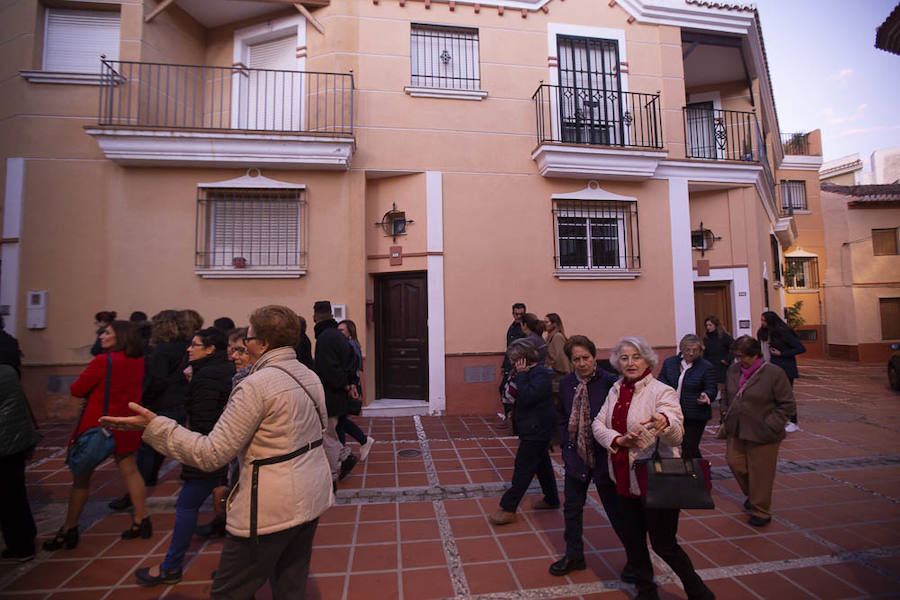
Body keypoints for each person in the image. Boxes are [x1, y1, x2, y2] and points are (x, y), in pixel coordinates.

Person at [102, 305, 333, 600]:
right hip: (310, 495)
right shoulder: (307, 374)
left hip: (269, 507)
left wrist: (157, 427)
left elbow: (211, 453)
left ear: (263, 344)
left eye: (247, 339)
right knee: (291, 586)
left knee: (229, 592)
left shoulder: (255, 386)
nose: (242, 346)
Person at [592, 337, 713, 600]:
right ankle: (647, 593)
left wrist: (665, 422)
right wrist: (617, 439)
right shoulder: (615, 390)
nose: (630, 362)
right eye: (624, 358)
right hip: (623, 480)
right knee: (634, 545)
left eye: (636, 356)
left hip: (657, 481)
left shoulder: (662, 391)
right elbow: (598, 424)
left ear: (648, 359)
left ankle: (698, 591)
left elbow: (677, 436)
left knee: (664, 545)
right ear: (617, 363)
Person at [136, 327, 233, 586]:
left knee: (187, 506)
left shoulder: (208, 377)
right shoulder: (219, 371)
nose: (189, 349)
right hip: (224, 450)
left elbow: (204, 420)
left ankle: (171, 566)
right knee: (229, 507)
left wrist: (192, 446)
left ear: (211, 349)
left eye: (196, 344)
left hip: (208, 450)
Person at [45, 320, 151, 551]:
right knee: (130, 470)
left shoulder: (105, 360)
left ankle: (69, 529)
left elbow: (77, 389)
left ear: (119, 337)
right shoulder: (138, 360)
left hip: (99, 424)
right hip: (126, 423)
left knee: (81, 477)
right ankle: (142, 519)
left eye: (107, 333)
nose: (102, 336)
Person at [548, 335, 633, 582]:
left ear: (594, 357)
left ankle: (635, 559)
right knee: (572, 508)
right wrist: (566, 444)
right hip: (577, 457)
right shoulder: (565, 384)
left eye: (586, 358)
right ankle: (574, 555)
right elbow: (563, 416)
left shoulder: (609, 383)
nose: (582, 363)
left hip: (605, 456)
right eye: (576, 359)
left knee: (616, 511)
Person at [111, 310, 188, 511]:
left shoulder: (162, 350)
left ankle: (138, 490)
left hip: (163, 403)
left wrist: (146, 399)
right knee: (170, 443)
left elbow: (157, 379)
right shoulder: (185, 346)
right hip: (181, 400)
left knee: (147, 448)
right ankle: (155, 479)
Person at [721, 335, 795, 528]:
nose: (740, 361)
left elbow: (787, 404)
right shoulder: (733, 370)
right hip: (737, 429)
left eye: (744, 356)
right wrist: (724, 410)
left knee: (761, 473)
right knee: (735, 463)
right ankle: (754, 495)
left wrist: (771, 424)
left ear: (756, 355)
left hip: (764, 433)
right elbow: (727, 394)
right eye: (737, 356)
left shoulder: (774, 373)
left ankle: (761, 510)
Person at [489, 338, 559, 525]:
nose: (511, 362)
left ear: (524, 358)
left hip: (537, 428)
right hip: (532, 427)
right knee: (542, 464)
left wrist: (521, 375)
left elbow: (528, 397)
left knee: (523, 468)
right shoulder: (525, 372)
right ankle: (552, 499)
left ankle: (508, 508)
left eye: (514, 359)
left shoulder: (540, 374)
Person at [196, 327, 252, 540]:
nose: (234, 356)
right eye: (231, 349)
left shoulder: (249, 381)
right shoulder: (237, 377)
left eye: (240, 350)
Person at [313, 301, 360, 482]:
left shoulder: (325, 338)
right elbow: (353, 361)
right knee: (330, 432)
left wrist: (345, 385)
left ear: (315, 317)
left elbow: (328, 370)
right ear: (332, 316)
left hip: (330, 394)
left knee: (327, 435)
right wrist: (351, 384)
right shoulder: (338, 336)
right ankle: (345, 456)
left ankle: (333, 475)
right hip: (339, 393)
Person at [0, 364, 41, 561]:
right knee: (16, 495)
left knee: (9, 500)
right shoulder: (8, 371)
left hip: (5, 444)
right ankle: (24, 542)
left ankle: (20, 545)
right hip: (18, 443)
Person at [657, 334, 717, 459]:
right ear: (682, 349)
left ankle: (695, 474)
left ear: (700, 351)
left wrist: (706, 395)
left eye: (695, 350)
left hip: (694, 413)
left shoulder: (706, 367)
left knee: (689, 446)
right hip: (673, 411)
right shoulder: (670, 363)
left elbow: (711, 387)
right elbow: (661, 381)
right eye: (687, 350)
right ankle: (700, 472)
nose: (690, 353)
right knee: (681, 447)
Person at [758, 311, 805, 432]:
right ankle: (776, 419)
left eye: (764, 320)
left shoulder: (783, 332)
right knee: (771, 395)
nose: (762, 323)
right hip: (768, 367)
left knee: (786, 395)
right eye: (761, 320)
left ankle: (793, 421)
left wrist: (781, 353)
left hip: (785, 368)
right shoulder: (762, 333)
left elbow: (800, 348)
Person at [337, 319, 375, 461]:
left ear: (349, 332)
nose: (338, 333)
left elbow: (355, 368)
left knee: (340, 420)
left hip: (348, 386)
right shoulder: (351, 344)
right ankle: (362, 441)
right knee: (341, 420)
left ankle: (343, 454)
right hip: (348, 385)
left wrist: (352, 386)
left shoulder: (350, 345)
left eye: (341, 330)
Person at [498, 303, 528, 424]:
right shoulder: (512, 326)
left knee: (512, 391)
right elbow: (509, 347)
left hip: (519, 365)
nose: (519, 316)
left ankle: (512, 418)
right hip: (509, 364)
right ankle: (509, 416)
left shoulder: (525, 328)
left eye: (521, 314)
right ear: (513, 314)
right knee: (503, 389)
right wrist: (503, 365)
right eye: (517, 314)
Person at [702, 316, 733, 399]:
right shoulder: (706, 338)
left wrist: (727, 359)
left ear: (715, 325)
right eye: (706, 325)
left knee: (724, 384)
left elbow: (734, 348)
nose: (708, 327)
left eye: (710, 325)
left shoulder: (724, 337)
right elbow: (706, 352)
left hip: (721, 365)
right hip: (710, 364)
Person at [543, 313, 571, 394]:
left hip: (558, 375)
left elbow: (561, 358)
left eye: (547, 322)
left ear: (554, 324)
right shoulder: (549, 337)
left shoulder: (557, 337)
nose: (544, 325)